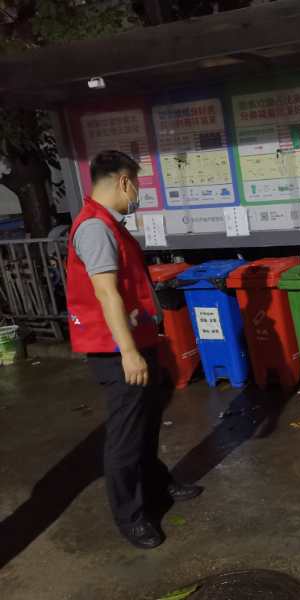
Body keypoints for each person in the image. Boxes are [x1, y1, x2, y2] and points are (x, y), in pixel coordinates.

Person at [66, 150, 203, 549]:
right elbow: (106, 293)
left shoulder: (109, 223)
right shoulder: (95, 227)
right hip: (115, 350)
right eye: (137, 184)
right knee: (126, 436)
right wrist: (128, 353)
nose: (138, 193)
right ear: (124, 181)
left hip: (137, 340)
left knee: (146, 424)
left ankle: (157, 485)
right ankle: (131, 516)